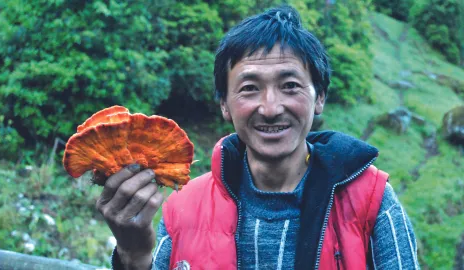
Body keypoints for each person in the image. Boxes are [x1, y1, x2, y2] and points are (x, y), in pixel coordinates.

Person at [96, 5, 420, 270]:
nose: (270, 108)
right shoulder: (182, 208)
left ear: (319, 97)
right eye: (250, 88)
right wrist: (133, 255)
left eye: (290, 86)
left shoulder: (372, 202)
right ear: (225, 104)